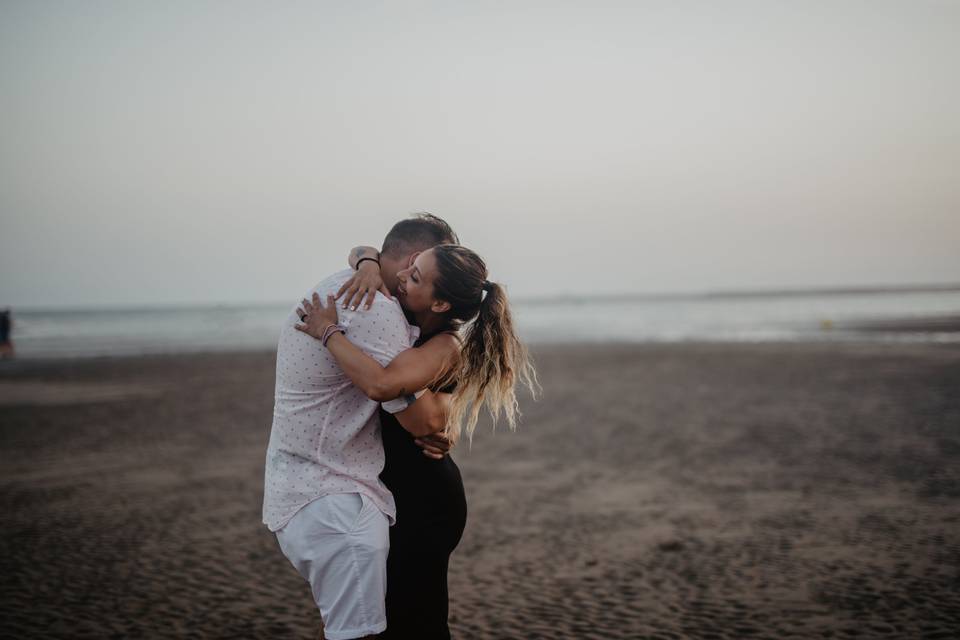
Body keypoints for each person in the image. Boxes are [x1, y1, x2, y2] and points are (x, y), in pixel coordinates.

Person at [296, 241, 539, 639]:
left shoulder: (444, 345)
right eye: (408, 270)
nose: (402, 280)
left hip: (424, 501)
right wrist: (367, 263)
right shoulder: (406, 325)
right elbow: (363, 246)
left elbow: (382, 385)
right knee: (396, 617)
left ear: (440, 304)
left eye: (416, 277)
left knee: (418, 621)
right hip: (397, 491)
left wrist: (327, 332)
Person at [263, 214, 459, 640]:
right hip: (337, 498)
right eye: (421, 265)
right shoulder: (374, 306)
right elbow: (411, 412)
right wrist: (364, 263)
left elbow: (421, 411)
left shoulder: (359, 293)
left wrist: (334, 322)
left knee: (404, 624)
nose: (412, 276)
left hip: (346, 494)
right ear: (411, 259)